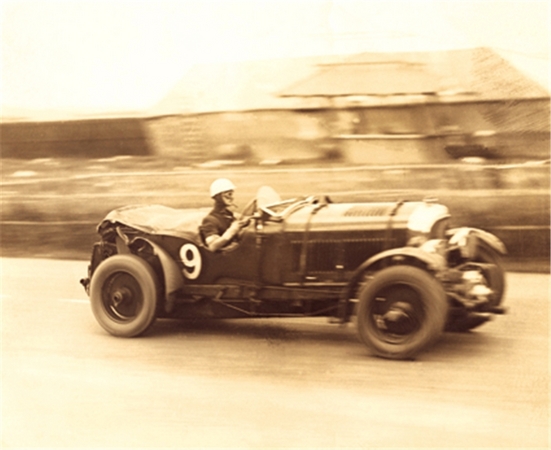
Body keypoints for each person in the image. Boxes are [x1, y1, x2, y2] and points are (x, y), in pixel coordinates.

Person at [199, 178, 249, 251]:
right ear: (218, 196)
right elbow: (213, 246)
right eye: (229, 194)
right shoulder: (210, 220)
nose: (232, 198)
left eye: (232, 194)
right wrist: (232, 230)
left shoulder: (228, 214)